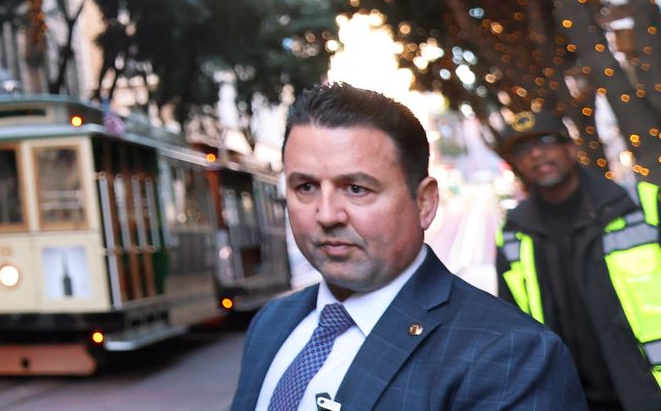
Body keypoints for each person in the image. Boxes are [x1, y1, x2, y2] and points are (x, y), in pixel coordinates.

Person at [232, 83, 585, 410]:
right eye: (306, 187)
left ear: (425, 203)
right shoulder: (272, 323)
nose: (326, 215)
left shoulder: (510, 355)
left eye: (356, 188)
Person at [494, 107, 661, 409]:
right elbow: (511, 325)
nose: (535, 155)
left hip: (649, 390)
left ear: (570, 147)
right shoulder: (513, 235)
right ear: (516, 164)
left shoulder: (641, 207)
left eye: (545, 141)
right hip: (570, 398)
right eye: (522, 150)